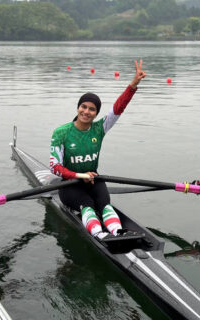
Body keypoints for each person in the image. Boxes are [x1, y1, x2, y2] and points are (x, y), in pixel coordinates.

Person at [49, 60, 146, 241]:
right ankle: (100, 235)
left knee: (105, 204)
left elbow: (118, 108)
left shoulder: (99, 129)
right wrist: (79, 176)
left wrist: (134, 84)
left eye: (92, 109)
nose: (86, 111)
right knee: (87, 205)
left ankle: (117, 232)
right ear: (78, 107)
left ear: (96, 113)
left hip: (93, 179)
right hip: (69, 185)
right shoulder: (61, 132)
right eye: (83, 107)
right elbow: (54, 167)